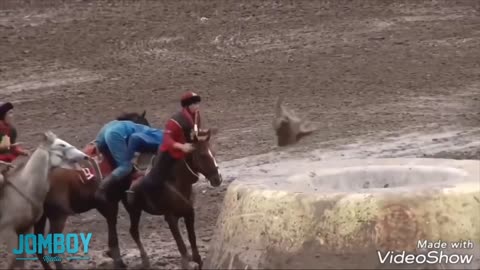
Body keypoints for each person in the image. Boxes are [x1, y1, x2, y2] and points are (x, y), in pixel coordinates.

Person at [128, 91, 202, 198]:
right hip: (170, 150)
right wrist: (182, 146)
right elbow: (167, 140)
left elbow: (195, 131)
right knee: (153, 181)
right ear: (187, 105)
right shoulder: (175, 121)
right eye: (194, 104)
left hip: (185, 148)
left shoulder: (196, 116)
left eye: (198, 103)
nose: (197, 106)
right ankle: (140, 188)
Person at [94, 119, 164, 202]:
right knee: (126, 167)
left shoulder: (142, 128)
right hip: (115, 134)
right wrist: (130, 156)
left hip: (106, 131)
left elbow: (111, 125)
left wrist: (98, 143)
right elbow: (135, 138)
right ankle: (101, 188)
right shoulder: (161, 138)